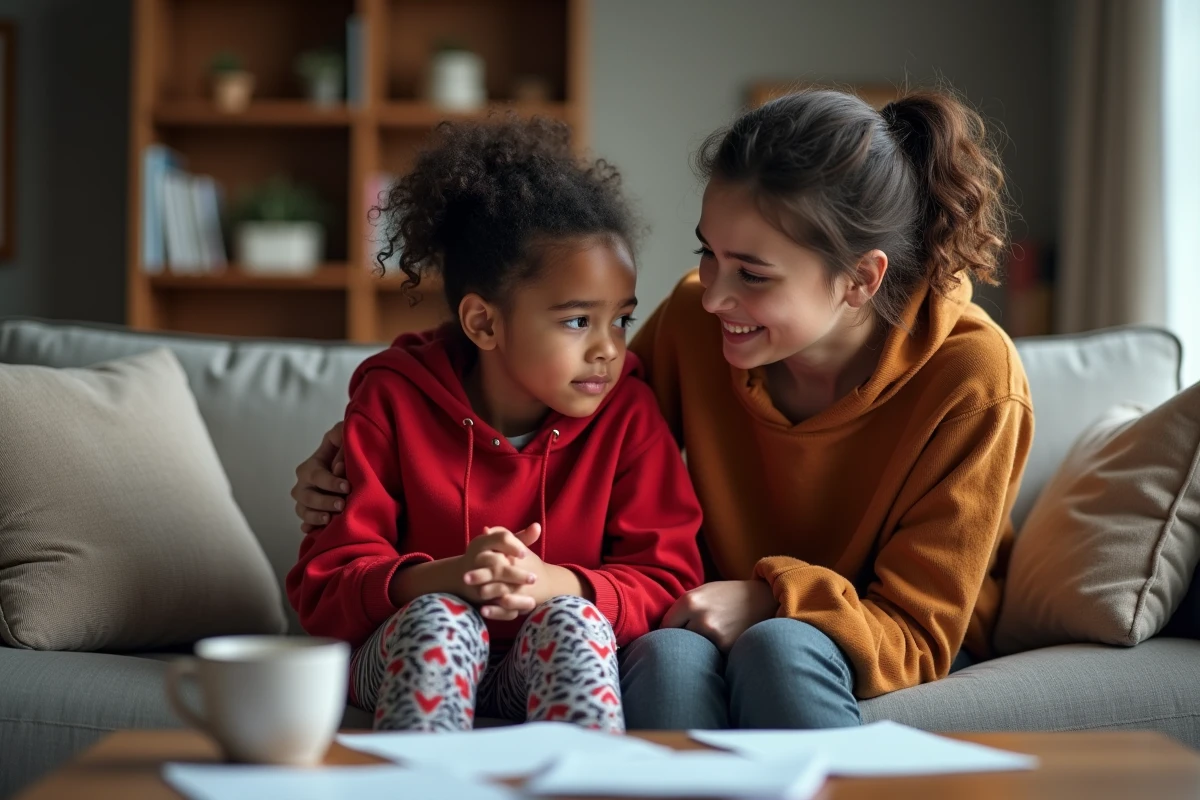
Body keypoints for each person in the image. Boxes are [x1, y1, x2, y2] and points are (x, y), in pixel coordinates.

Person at [292, 88, 1033, 730]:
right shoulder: (693, 322)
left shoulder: (975, 378)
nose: (712, 295)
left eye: (752, 273)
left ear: (860, 280)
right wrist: (355, 446)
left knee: (775, 645)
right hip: (691, 615)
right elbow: (564, 399)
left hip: (865, 629)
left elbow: (918, 630)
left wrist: (773, 597)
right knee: (670, 660)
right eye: (707, 253)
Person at [286, 117, 704, 733]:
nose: (607, 349)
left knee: (574, 619)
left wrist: (552, 583)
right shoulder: (393, 402)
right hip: (401, 653)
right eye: (575, 321)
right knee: (441, 618)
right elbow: (325, 589)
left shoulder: (630, 414)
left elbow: (669, 581)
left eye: (620, 319)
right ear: (483, 323)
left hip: (534, 665)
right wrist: (450, 578)